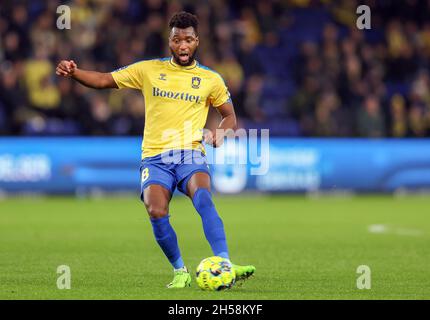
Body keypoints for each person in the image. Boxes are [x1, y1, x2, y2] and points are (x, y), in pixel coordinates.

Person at [56, 11, 255, 288]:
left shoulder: (211, 79)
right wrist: (75, 72)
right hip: (156, 157)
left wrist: (221, 133)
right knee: (156, 210)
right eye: (177, 40)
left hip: (190, 153)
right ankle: (180, 271)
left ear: (197, 41)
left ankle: (224, 261)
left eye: (188, 40)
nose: (182, 46)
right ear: (169, 41)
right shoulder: (149, 70)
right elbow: (103, 80)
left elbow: (229, 115)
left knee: (203, 199)